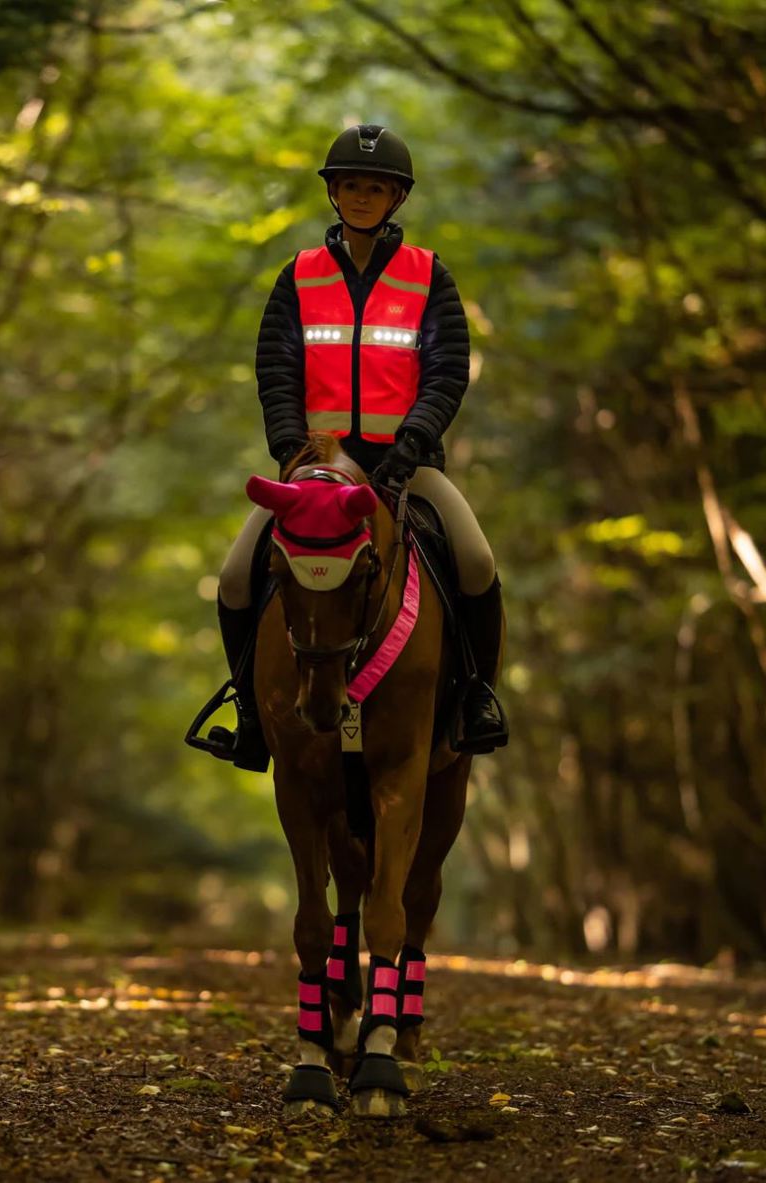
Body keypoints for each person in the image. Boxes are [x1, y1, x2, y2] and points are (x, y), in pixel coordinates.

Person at [207, 124, 508, 770]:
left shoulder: (430, 276)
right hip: (316, 472)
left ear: (397, 196)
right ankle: (251, 715)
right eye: (351, 186)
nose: (363, 197)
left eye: (376, 187)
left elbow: (447, 371)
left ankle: (475, 699)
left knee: (477, 561)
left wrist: (411, 446)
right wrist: (291, 450)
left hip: (406, 469)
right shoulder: (299, 276)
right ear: (334, 194)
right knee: (235, 577)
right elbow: (276, 369)